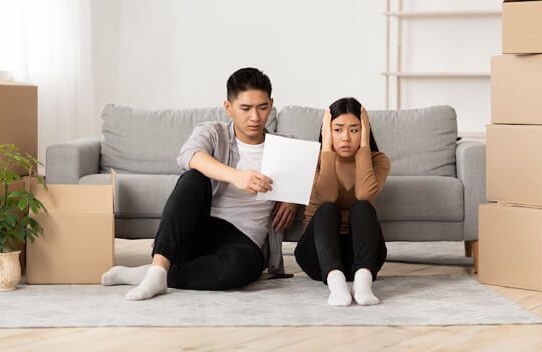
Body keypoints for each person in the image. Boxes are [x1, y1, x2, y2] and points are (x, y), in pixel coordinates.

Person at [101, 67, 297, 300]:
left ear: (271, 104)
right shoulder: (213, 132)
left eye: (262, 107)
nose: (255, 117)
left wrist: (292, 197)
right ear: (229, 107)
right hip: (201, 228)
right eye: (245, 108)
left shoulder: (286, 146)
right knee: (193, 177)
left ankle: (153, 274)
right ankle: (158, 269)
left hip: (245, 239)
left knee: (242, 269)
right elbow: (188, 155)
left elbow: (317, 171)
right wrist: (236, 176)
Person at [294, 97, 390, 306]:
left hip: (361, 255)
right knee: (328, 209)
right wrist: (326, 148)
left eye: (354, 130)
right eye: (338, 130)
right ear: (327, 131)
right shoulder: (315, 159)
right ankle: (336, 285)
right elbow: (327, 196)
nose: (346, 138)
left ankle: (363, 284)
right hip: (318, 255)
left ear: (364, 130)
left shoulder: (378, 160)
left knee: (363, 207)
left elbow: (365, 194)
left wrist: (364, 147)